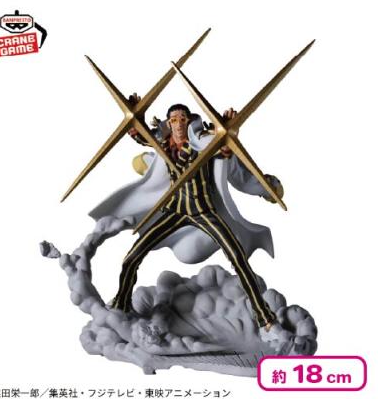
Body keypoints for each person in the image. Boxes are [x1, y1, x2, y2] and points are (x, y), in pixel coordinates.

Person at [94, 94, 284, 332]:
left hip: (203, 210)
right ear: (169, 123)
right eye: (174, 120)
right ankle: (121, 304)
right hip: (175, 210)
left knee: (237, 257)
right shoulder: (163, 144)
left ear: (189, 121)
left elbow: (221, 150)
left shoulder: (201, 143)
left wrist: (225, 134)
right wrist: (135, 115)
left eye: (182, 119)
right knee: (131, 258)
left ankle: (263, 315)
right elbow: (141, 136)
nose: (179, 124)